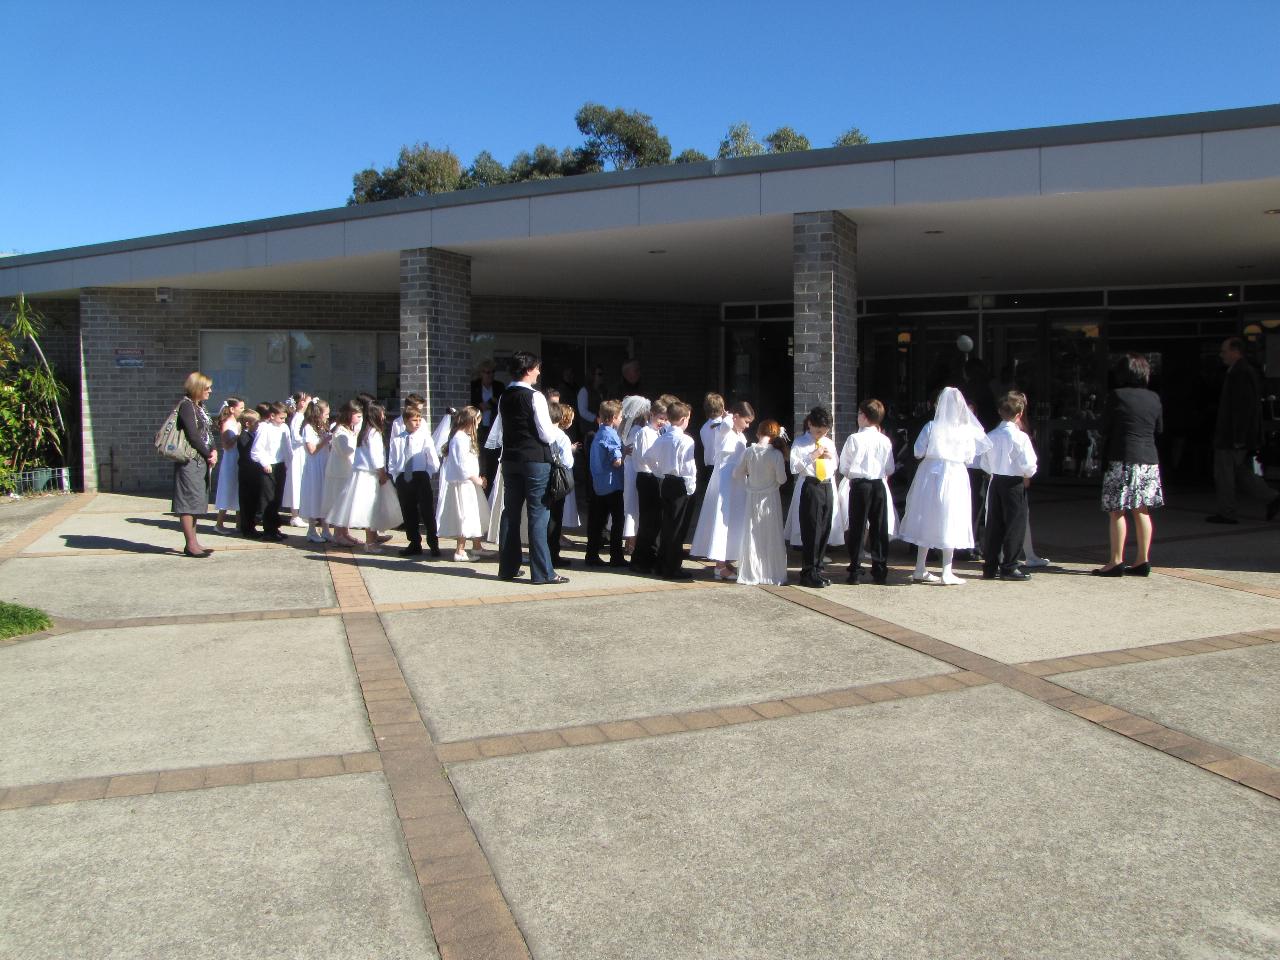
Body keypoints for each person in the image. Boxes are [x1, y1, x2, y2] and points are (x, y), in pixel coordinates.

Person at [899, 387, 993, 585]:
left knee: (926, 516)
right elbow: (969, 457)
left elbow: (917, 451)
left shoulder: (931, 426)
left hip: (929, 472)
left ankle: (920, 567)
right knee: (950, 517)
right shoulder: (965, 430)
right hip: (954, 474)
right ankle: (946, 570)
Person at [493, 352, 567, 584]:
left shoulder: (504, 395)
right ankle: (543, 572)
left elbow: (501, 430)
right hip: (535, 460)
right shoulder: (535, 397)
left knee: (511, 513)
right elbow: (546, 433)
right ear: (528, 369)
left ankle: (507, 567)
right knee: (538, 514)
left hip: (510, 459)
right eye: (536, 368)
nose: (538, 371)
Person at [1094, 353, 1164, 577]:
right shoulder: (1154, 398)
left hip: (1122, 457)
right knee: (1141, 510)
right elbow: (1159, 428)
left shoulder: (1117, 396)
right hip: (1148, 459)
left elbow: (1103, 427)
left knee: (1117, 510)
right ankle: (1142, 560)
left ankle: (1116, 561)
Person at [1208, 337, 1279, 524]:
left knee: (1225, 473)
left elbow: (1242, 408)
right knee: (1241, 472)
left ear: (1236, 351)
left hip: (1231, 437)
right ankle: (1272, 497)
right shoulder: (1242, 371)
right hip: (1237, 435)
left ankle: (1227, 512)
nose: (1221, 355)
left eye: (1224, 351)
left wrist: (1239, 436)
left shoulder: (1240, 373)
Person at [692, 401, 754, 580]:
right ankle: (719, 566)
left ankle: (726, 558)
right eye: (746, 421)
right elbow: (725, 424)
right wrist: (728, 416)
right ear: (736, 417)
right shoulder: (724, 428)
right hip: (726, 479)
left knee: (734, 519)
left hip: (738, 480)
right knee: (723, 517)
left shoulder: (738, 433)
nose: (747, 425)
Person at [980, 391, 1038, 582]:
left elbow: (984, 463)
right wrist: (1027, 474)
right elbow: (1029, 465)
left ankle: (990, 566)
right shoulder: (1020, 438)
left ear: (999, 412)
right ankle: (1009, 566)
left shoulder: (991, 435)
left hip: (996, 480)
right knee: (1015, 524)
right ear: (1019, 414)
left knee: (994, 524)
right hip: (1014, 482)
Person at [838, 399, 895, 585]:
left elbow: (844, 467)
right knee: (879, 526)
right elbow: (890, 468)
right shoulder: (884, 440)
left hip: (860, 485)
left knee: (857, 526)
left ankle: (855, 569)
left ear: (863, 416)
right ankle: (880, 569)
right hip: (878, 484)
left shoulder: (854, 438)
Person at [330, 403, 400, 553]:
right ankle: (370, 542)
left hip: (362, 474)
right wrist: (382, 473)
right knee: (371, 508)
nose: (384, 416)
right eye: (382, 413)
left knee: (373, 508)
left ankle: (373, 537)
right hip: (369, 475)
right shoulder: (373, 432)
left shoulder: (364, 431)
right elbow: (375, 457)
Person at [642, 400, 698, 579]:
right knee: (678, 527)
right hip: (680, 484)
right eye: (688, 418)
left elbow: (648, 457)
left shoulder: (662, 438)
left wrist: (659, 472)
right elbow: (689, 468)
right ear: (682, 419)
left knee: (667, 524)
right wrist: (691, 488)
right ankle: (672, 567)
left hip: (666, 482)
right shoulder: (686, 439)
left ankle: (662, 563)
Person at [731, 419, 790, 586]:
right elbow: (782, 479)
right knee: (771, 534)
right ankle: (772, 572)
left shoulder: (749, 451)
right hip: (770, 498)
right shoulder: (776, 454)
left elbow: (737, 473)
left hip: (752, 498)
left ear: (759, 433)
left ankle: (752, 572)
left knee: (752, 534)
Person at [789, 407, 839, 588]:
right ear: (810, 424)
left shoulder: (829, 442)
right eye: (818, 431)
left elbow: (835, 465)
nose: (821, 435)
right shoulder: (800, 442)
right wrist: (813, 456)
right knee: (812, 530)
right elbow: (794, 468)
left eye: (824, 431)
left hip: (827, 485)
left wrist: (829, 457)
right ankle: (808, 571)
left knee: (825, 528)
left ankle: (818, 569)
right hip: (810, 485)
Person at [172, 372, 218, 557]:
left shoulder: (200, 407)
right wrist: (208, 453)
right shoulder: (186, 406)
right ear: (197, 388)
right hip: (191, 460)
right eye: (207, 388)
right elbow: (193, 435)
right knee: (188, 502)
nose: (210, 391)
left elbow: (208, 432)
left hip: (202, 460)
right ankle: (190, 544)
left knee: (197, 500)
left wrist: (214, 449)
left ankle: (194, 542)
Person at [388, 401, 442, 558]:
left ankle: (433, 543)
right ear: (405, 422)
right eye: (414, 420)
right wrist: (397, 476)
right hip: (404, 476)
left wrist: (428, 472)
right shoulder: (398, 439)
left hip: (420, 475)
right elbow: (392, 459)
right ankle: (414, 542)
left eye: (419, 420)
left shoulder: (424, 437)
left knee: (427, 511)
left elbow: (432, 457)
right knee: (408, 510)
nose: (417, 423)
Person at [436, 406, 486, 561]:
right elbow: (461, 465)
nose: (478, 425)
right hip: (463, 484)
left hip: (469, 483)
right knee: (464, 515)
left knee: (474, 514)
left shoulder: (464, 437)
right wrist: (475, 478)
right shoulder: (459, 438)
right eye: (477, 421)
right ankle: (460, 550)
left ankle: (477, 546)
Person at [629, 398, 668, 575]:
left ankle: (648, 557)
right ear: (652, 415)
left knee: (653, 521)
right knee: (648, 521)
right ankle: (640, 560)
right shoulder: (645, 432)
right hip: (646, 476)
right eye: (660, 418)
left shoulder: (656, 433)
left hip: (654, 476)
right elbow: (646, 457)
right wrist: (662, 462)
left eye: (665, 419)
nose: (662, 422)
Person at [585, 399, 626, 567]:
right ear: (614, 417)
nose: (622, 419)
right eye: (621, 416)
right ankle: (616, 556)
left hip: (598, 484)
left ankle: (592, 554)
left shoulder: (599, 433)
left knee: (597, 521)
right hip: (612, 484)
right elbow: (616, 461)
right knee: (617, 521)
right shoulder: (612, 435)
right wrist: (624, 458)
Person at [249, 401, 291, 542]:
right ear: (272, 415)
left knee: (277, 498)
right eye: (281, 418)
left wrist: (288, 462)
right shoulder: (264, 428)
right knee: (268, 498)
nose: (283, 421)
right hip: (268, 466)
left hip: (280, 465)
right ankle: (268, 530)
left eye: (285, 418)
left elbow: (287, 447)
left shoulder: (284, 427)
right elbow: (256, 451)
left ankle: (275, 527)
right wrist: (264, 462)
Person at [323, 401, 362, 546]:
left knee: (346, 503)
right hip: (339, 473)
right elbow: (346, 451)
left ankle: (345, 532)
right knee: (339, 502)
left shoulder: (349, 430)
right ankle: (338, 533)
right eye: (357, 416)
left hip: (347, 471)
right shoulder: (340, 431)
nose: (359, 419)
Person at [546, 402, 576, 568]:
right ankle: (553, 554)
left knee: (543, 516)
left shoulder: (541, 432)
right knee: (555, 518)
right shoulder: (562, 436)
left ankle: (542, 553)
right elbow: (567, 462)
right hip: (557, 479)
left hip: (542, 476)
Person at [298, 399, 332, 544]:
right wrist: (325, 440)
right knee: (314, 496)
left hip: (324, 463)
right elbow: (312, 450)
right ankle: (312, 530)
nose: (328, 417)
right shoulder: (308, 428)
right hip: (314, 466)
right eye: (326, 414)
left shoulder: (323, 426)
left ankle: (326, 529)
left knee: (324, 497)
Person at [212, 397, 244, 533]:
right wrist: (238, 435)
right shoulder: (227, 424)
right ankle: (219, 523)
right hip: (230, 459)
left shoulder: (237, 423)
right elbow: (226, 444)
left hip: (237, 458)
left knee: (237, 490)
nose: (242, 411)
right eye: (241, 408)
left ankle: (239, 523)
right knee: (227, 489)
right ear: (232, 409)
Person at [471, 361, 504, 489]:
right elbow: (472, 405)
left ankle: (491, 485)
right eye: (487, 372)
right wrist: (483, 405)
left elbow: (500, 403)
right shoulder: (474, 386)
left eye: (492, 372)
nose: (490, 375)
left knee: (492, 458)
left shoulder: (499, 386)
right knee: (479, 456)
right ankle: (480, 483)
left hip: (493, 427)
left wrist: (488, 404)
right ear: (481, 373)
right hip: (478, 427)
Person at [282, 392, 311, 528]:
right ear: (301, 403)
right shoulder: (298, 417)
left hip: (302, 453)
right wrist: (309, 439)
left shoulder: (302, 417)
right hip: (297, 453)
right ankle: (295, 515)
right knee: (296, 482)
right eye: (307, 401)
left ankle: (300, 512)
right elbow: (296, 437)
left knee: (301, 482)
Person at [697, 393, 728, 507]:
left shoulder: (704, 427)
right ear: (722, 408)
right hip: (722, 465)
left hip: (709, 464)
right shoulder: (724, 425)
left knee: (712, 499)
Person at [234, 409, 261, 538]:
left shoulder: (254, 435)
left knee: (254, 501)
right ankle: (247, 528)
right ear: (247, 424)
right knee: (247, 502)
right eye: (256, 423)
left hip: (254, 473)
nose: (258, 426)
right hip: (247, 473)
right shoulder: (244, 437)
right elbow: (247, 453)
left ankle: (252, 526)